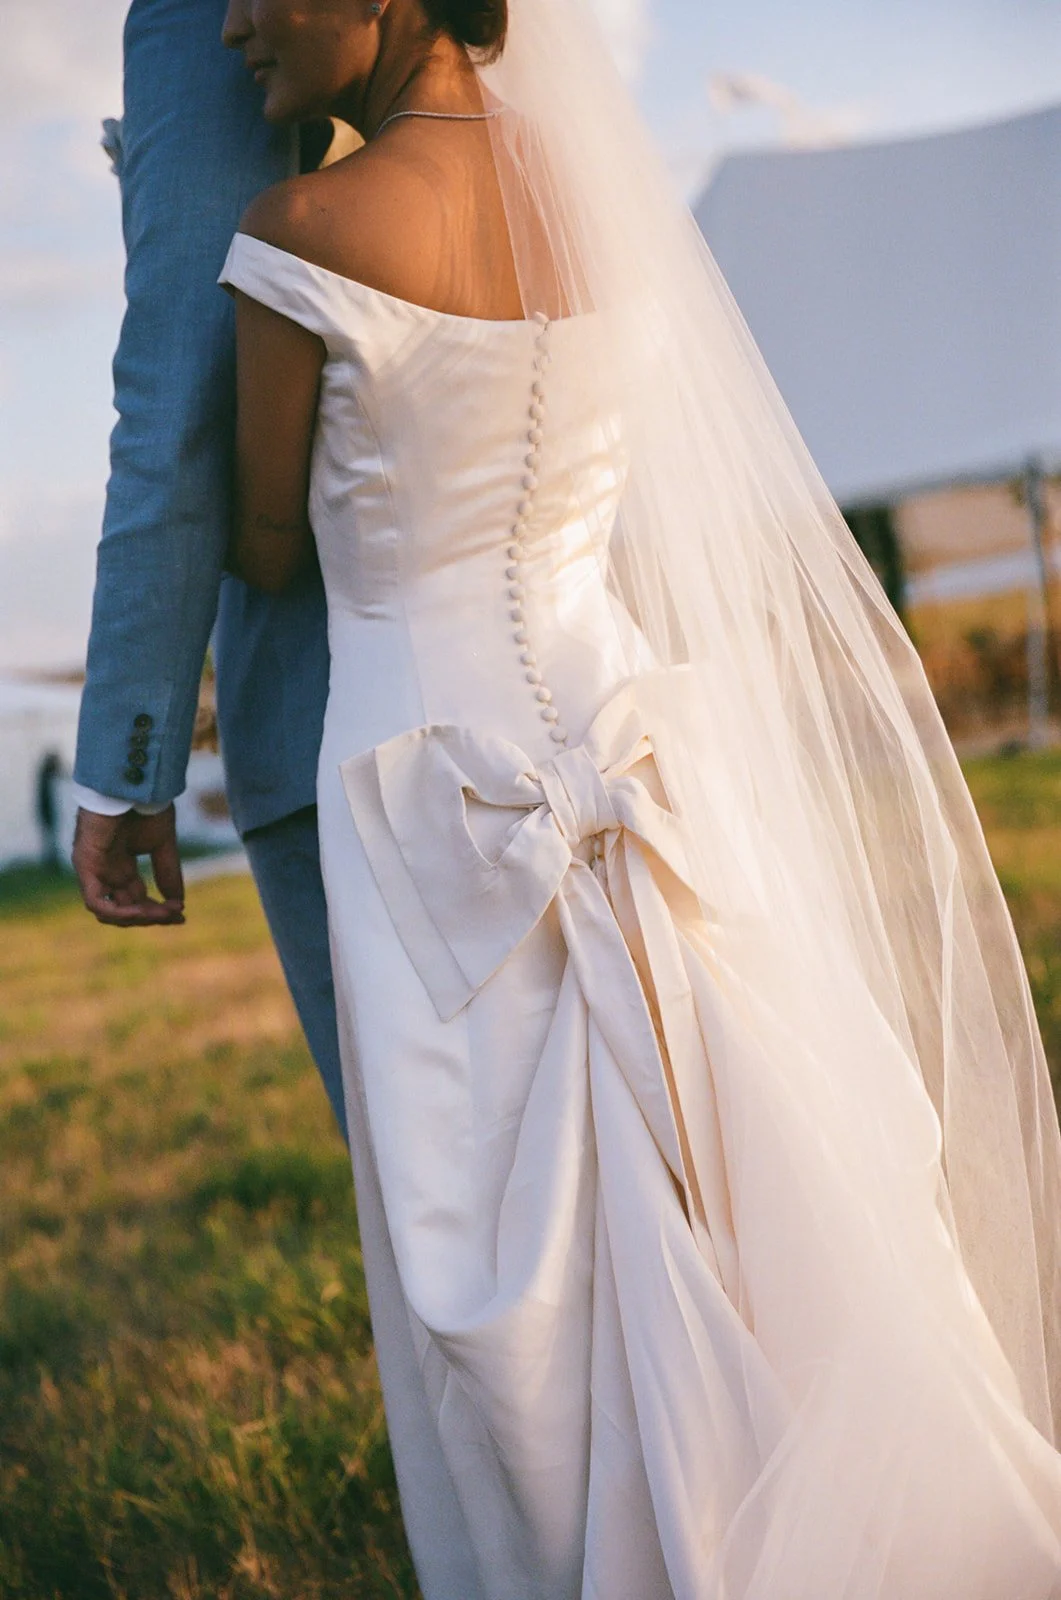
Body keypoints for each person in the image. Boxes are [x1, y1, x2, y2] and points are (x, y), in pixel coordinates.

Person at [213, 0, 1061, 1595]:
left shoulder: (298, 228)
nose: (238, 23)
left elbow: (264, 548)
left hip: (427, 782)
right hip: (632, 724)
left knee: (503, 1244)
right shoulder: (612, 210)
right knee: (739, 1152)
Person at [71, 0, 346, 1138]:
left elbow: (181, 401)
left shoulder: (201, 19)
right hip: (578, 675)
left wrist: (121, 769)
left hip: (336, 706)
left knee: (438, 1216)